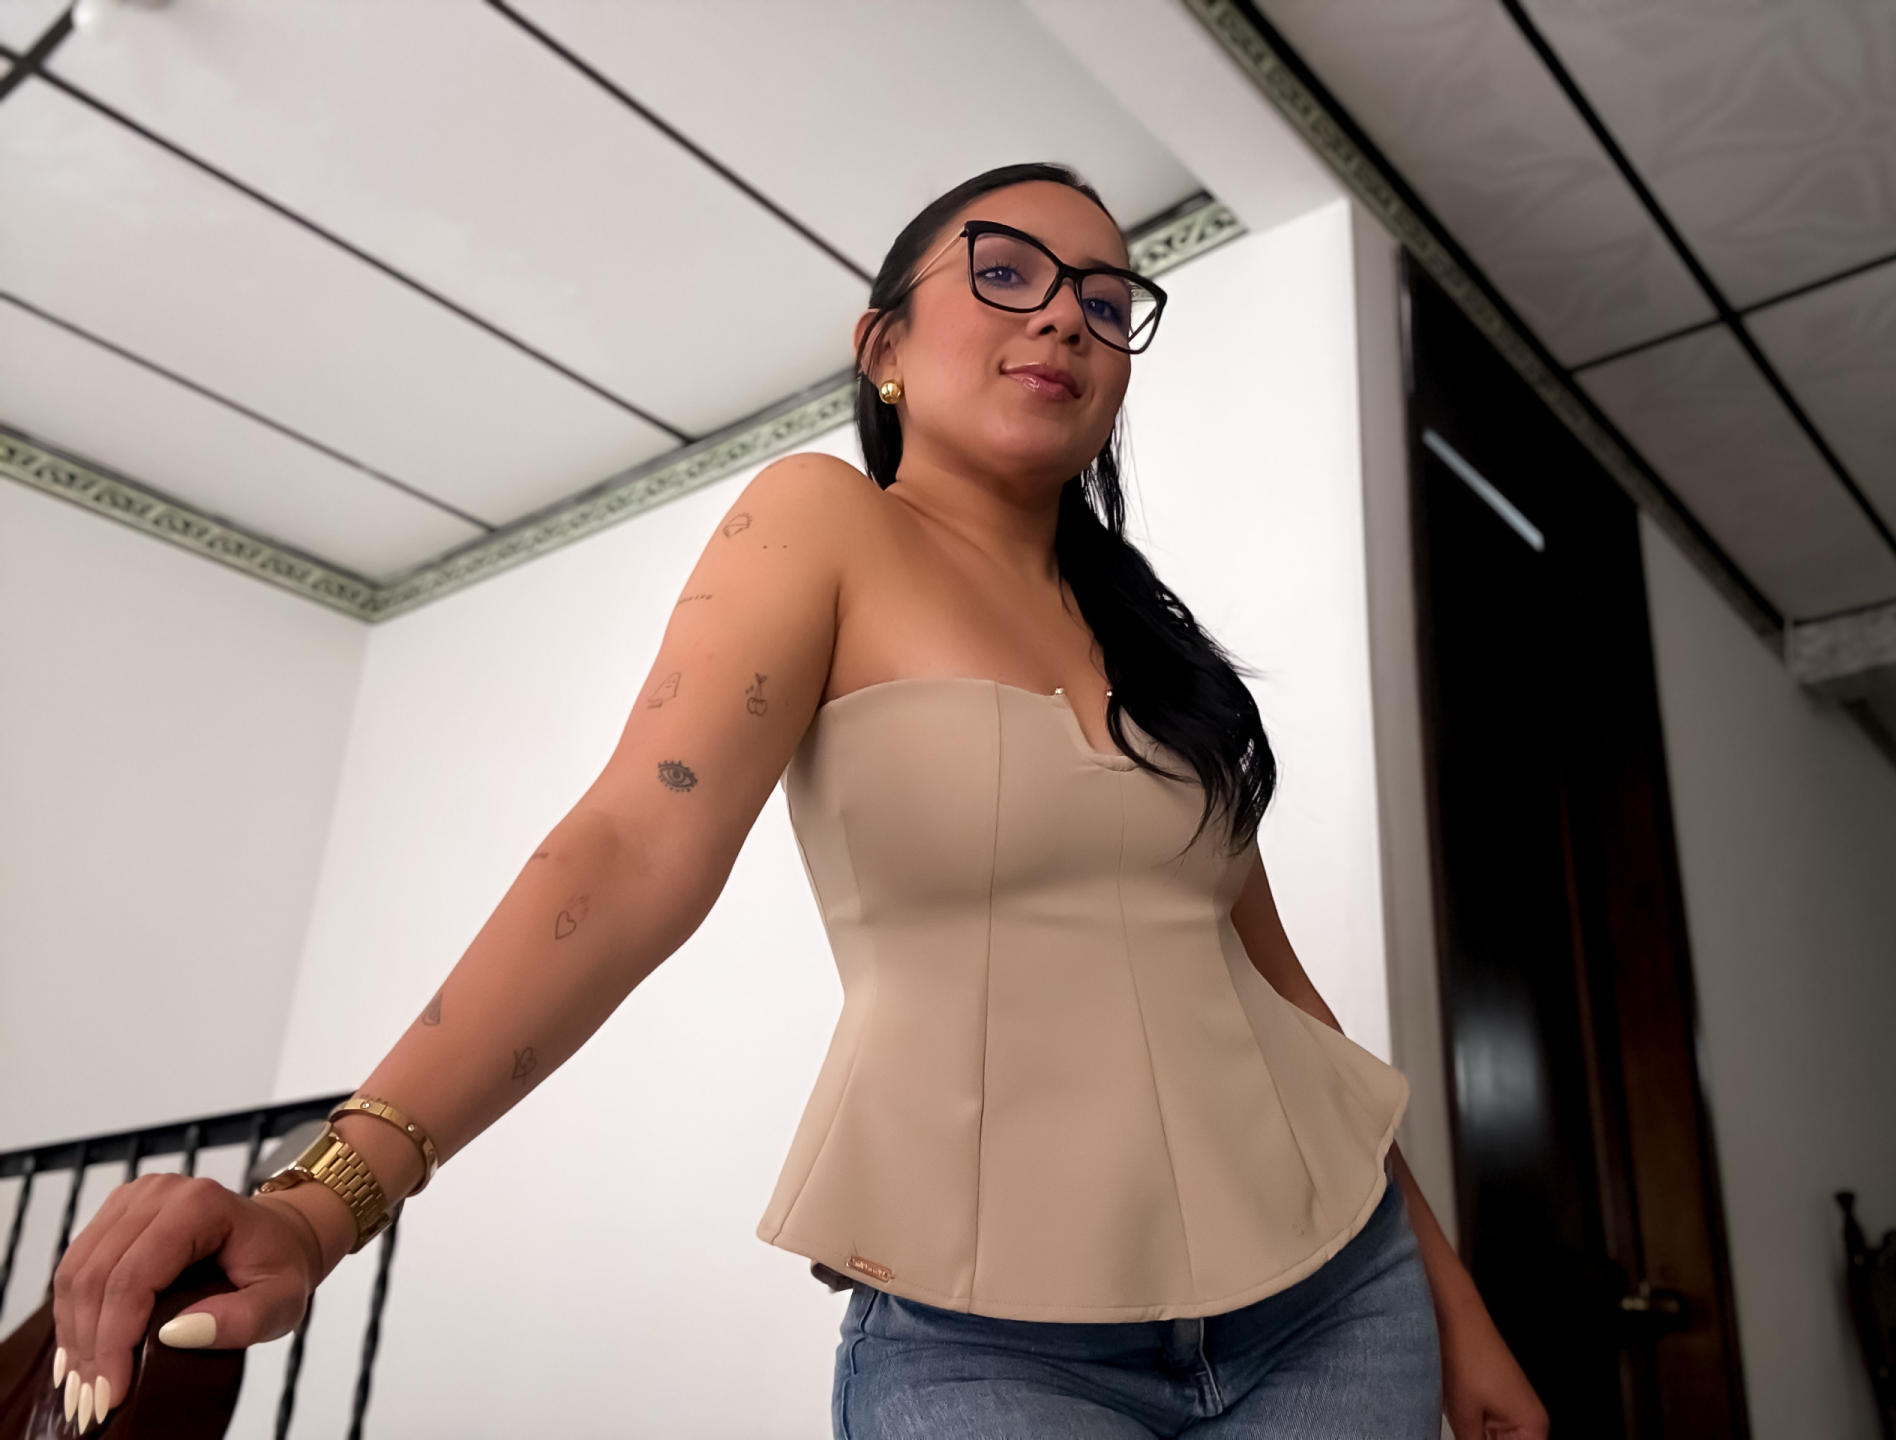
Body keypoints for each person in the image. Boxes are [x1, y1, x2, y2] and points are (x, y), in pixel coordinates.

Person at [46, 162, 1547, 1439]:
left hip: (1337, 1304)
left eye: (1105, 303)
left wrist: (1456, 1311)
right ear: (883, 344)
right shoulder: (821, 521)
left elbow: (1279, 996)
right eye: (1008, 272)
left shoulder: (1162, 653)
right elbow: (633, 844)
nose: (1062, 318)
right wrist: (323, 1198)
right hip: (994, 1347)